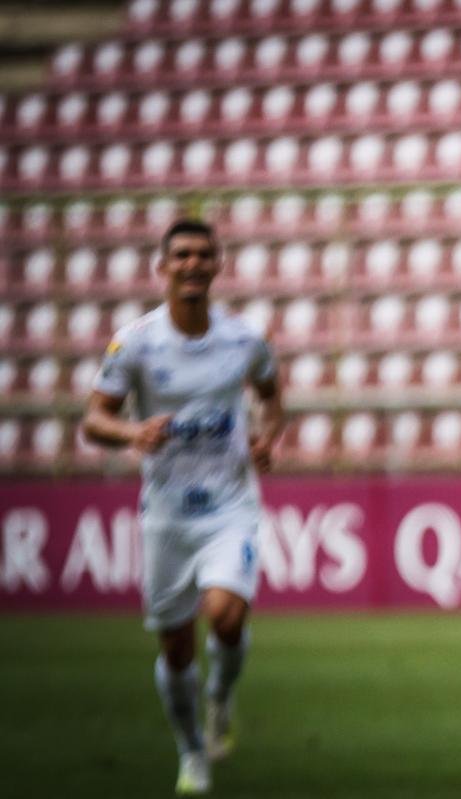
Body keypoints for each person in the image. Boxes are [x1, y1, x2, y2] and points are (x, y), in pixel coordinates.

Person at [82, 219, 284, 795]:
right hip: (167, 514)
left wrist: (267, 438)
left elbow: (271, 396)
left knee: (226, 613)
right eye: (182, 256)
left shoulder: (244, 339)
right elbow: (94, 418)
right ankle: (192, 750)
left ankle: (220, 695)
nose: (193, 264)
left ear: (217, 266)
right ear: (163, 267)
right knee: (174, 645)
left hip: (229, 504)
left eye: (203, 255)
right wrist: (130, 433)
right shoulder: (136, 343)